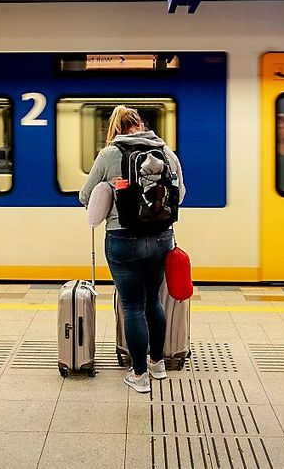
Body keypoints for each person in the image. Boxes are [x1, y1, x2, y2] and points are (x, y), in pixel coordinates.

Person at [79, 106, 186, 393]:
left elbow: (85, 196)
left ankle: (139, 376)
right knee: (153, 302)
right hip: (162, 238)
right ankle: (157, 364)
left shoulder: (109, 155)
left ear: (114, 129)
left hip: (123, 239)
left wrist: (112, 188)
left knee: (132, 307)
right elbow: (181, 194)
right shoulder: (166, 153)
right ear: (141, 124)